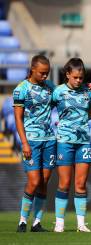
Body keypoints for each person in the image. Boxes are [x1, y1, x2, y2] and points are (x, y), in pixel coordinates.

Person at [52, 58, 91, 232]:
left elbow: (90, 113)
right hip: (65, 141)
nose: (78, 81)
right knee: (64, 183)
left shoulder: (87, 92)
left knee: (81, 184)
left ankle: (81, 224)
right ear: (67, 74)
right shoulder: (58, 92)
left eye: (81, 78)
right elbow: (44, 110)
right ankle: (59, 223)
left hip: (83, 142)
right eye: (75, 77)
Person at [14, 54, 55, 233]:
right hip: (31, 140)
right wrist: (24, 143)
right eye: (42, 73)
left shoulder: (50, 88)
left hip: (49, 140)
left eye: (47, 73)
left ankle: (36, 222)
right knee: (34, 180)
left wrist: (86, 87)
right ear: (32, 70)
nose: (45, 76)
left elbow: (68, 94)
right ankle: (22, 220)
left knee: (44, 181)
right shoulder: (21, 89)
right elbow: (18, 118)